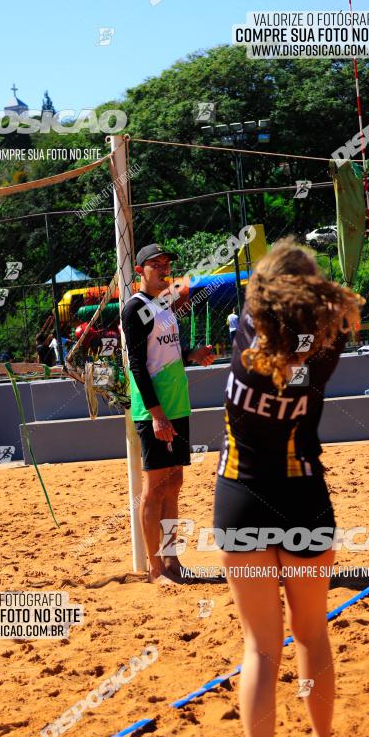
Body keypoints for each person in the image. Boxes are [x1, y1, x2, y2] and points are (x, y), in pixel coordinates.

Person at [213, 238, 363, 737]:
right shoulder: (327, 347)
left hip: (240, 500)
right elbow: (323, 320)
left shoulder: (243, 340)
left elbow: (261, 301)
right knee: (312, 633)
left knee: (259, 649)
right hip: (303, 498)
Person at [121, 242, 214, 584]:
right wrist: (156, 413)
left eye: (166, 263)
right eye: (155, 264)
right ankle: (154, 567)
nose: (163, 268)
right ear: (141, 271)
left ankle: (172, 558)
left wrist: (193, 354)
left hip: (177, 405)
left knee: (174, 482)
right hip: (155, 411)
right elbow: (137, 367)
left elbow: (168, 353)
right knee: (155, 487)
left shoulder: (165, 306)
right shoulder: (135, 309)